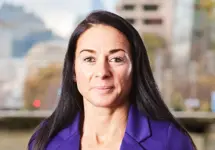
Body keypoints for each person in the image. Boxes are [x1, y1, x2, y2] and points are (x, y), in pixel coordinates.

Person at [28, 10, 196, 150]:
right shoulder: (45, 140)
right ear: (73, 71)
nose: (102, 72)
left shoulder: (170, 141)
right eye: (89, 59)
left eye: (116, 59)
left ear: (135, 69)